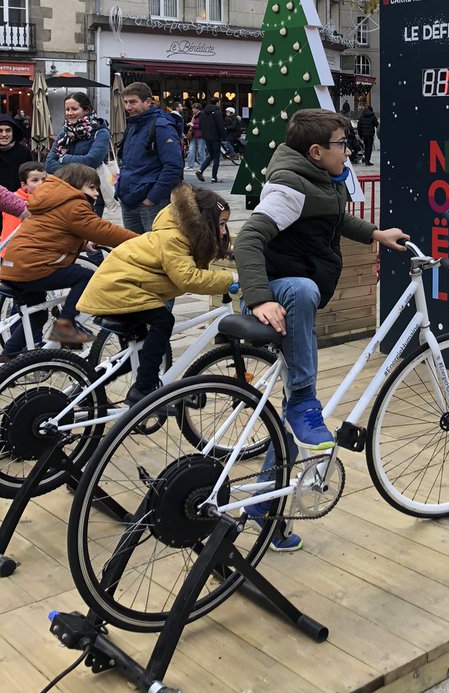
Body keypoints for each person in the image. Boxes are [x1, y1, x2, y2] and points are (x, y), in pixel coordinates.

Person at [234, 109, 408, 450]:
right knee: (302, 289)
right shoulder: (290, 189)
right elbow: (248, 239)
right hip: (277, 295)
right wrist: (259, 299)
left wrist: (377, 234)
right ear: (316, 152)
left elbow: (335, 219)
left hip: (293, 298)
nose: (348, 151)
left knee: (293, 433)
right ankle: (301, 400)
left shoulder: (318, 181)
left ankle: (263, 500)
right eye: (342, 144)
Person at [78, 184, 235, 405]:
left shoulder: (180, 233)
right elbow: (188, 278)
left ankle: (86, 391)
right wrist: (230, 279)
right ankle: (142, 390)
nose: (223, 232)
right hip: (119, 289)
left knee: (139, 354)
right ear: (204, 221)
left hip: (122, 287)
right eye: (221, 224)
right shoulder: (174, 238)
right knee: (163, 320)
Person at [0, 165, 135, 354]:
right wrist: (141, 240)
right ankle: (66, 327)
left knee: (37, 317)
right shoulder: (74, 204)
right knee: (87, 277)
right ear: (76, 186)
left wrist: (83, 245)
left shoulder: (50, 200)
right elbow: (104, 230)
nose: (96, 193)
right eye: (92, 188)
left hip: (14, 265)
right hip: (33, 266)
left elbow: (53, 232)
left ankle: (8, 360)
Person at [116, 83, 184, 234]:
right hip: (129, 199)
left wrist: (152, 198)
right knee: (135, 249)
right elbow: (126, 162)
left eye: (133, 102)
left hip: (151, 202)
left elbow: (173, 166)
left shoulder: (161, 127)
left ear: (148, 102)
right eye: (125, 102)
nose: (128, 107)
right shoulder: (133, 124)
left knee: (156, 249)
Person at [45, 92, 111, 215]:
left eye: (74, 109)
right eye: (67, 109)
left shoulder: (100, 132)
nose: (70, 113)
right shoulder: (64, 133)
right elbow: (49, 164)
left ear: (86, 110)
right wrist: (77, 167)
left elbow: (92, 161)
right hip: (64, 192)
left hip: (90, 193)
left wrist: (63, 158)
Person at [0, 114, 32, 193]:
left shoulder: (23, 151)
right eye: (0, 131)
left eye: (8, 130)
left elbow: (30, 176)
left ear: (13, 132)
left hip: (18, 198)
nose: (4, 134)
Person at [197, 98, 226, 183]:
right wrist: (224, 136)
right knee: (216, 157)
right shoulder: (217, 113)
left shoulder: (203, 113)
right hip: (216, 137)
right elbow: (220, 125)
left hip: (206, 137)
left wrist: (204, 134)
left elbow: (200, 125)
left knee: (211, 155)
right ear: (217, 103)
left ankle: (200, 171)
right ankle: (214, 177)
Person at [186, 102, 207, 171]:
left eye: (194, 108)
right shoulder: (194, 116)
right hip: (194, 134)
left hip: (200, 135)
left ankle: (202, 165)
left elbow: (202, 126)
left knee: (201, 150)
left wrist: (192, 125)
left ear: (198, 109)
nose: (192, 110)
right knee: (191, 150)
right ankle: (190, 165)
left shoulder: (202, 115)